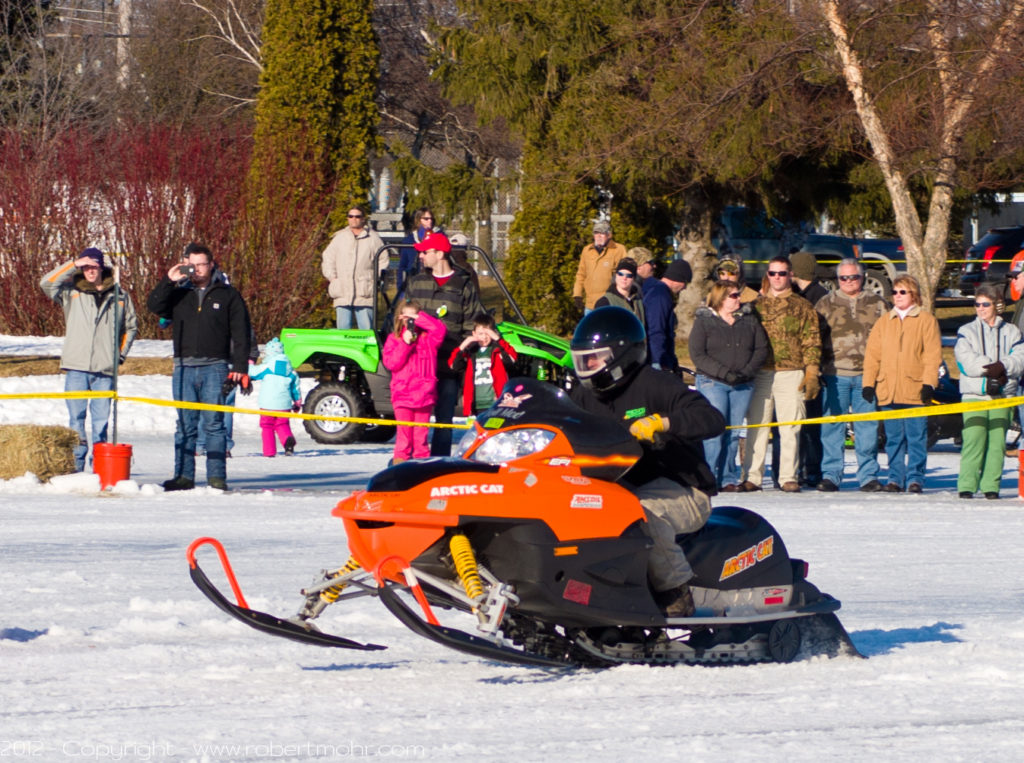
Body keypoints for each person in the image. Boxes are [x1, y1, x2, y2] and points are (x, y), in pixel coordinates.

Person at [569, 307, 726, 617]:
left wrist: (663, 423)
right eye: (582, 361)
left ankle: (676, 593)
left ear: (620, 356)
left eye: (594, 359)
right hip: (617, 490)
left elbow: (711, 418)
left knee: (640, 511)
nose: (588, 368)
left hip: (684, 490)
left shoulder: (655, 383)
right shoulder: (584, 396)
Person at [147, 243, 250, 491]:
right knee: (185, 424)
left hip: (215, 366)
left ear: (211, 264)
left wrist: (240, 366)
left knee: (214, 423)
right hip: (184, 366)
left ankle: (216, 477)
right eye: (192, 265)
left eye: (202, 264)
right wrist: (169, 281)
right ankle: (183, 476)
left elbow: (241, 332)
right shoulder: (179, 293)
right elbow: (154, 306)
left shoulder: (227, 294)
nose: (197, 270)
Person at [39, 248, 138, 472]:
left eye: (93, 266)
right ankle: (77, 464)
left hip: (105, 369)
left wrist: (119, 355)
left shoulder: (120, 295)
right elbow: (46, 283)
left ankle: (100, 465)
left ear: (102, 267)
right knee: (76, 418)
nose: (90, 271)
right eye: (85, 267)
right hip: (76, 366)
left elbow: (131, 327)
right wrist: (73, 264)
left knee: (101, 421)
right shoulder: (71, 293)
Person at [739, 255, 821, 493]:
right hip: (760, 373)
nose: (777, 278)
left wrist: (812, 371)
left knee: (790, 427)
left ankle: (788, 477)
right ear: (767, 276)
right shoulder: (755, 306)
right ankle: (752, 476)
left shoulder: (802, 306)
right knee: (757, 426)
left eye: (782, 273)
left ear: (790, 275)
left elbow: (811, 340)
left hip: (791, 372)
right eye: (773, 273)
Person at [403, 231, 486, 456]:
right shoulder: (416, 283)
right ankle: (411, 462)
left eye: (425, 252)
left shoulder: (464, 284)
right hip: (419, 365)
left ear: (440, 254)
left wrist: (461, 354)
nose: (421, 256)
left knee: (444, 418)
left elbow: (472, 323)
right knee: (414, 418)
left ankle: (440, 462)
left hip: (448, 364)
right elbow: (405, 318)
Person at [862, 274, 942, 493]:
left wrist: (929, 384)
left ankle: (915, 478)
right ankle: (895, 478)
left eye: (902, 292)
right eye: (895, 292)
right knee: (893, 438)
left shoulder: (926, 320)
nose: (897, 296)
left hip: (914, 389)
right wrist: (868, 383)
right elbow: (872, 356)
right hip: (888, 389)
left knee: (916, 438)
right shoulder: (884, 322)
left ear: (913, 294)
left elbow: (932, 356)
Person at [814, 259, 889, 492]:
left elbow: (888, 338)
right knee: (832, 427)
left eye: (853, 277)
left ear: (862, 277)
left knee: (867, 428)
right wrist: (816, 369)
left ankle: (868, 476)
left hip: (867, 376)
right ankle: (831, 475)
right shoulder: (825, 303)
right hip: (834, 374)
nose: (848, 281)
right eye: (843, 278)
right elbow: (814, 338)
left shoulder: (877, 303)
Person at [689, 281, 769, 492]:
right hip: (713, 382)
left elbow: (761, 349)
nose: (738, 299)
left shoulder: (749, 319)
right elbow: (698, 354)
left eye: (738, 295)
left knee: (733, 433)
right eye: (733, 296)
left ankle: (727, 478)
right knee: (714, 432)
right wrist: (725, 373)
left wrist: (747, 372)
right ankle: (707, 476)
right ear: (721, 298)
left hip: (743, 384)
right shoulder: (704, 321)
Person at [954, 283, 1024, 499]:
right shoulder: (966, 331)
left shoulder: (1012, 331)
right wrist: (990, 372)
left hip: (1002, 396)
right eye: (977, 304)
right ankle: (967, 484)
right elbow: (965, 361)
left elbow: (1020, 358)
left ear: (996, 305)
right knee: (973, 440)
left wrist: (1003, 367)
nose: (981, 309)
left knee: (996, 443)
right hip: (974, 395)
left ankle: (991, 486)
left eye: (985, 304)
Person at [382, 299, 447, 462]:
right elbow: (392, 364)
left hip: (424, 394)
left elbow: (440, 329)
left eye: (413, 317)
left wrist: (419, 318)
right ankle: (400, 467)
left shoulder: (428, 339)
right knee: (404, 439)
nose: (410, 321)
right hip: (403, 394)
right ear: (400, 317)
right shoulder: (393, 339)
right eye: (407, 317)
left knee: (421, 439)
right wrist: (405, 343)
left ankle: (421, 467)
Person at [321, 206, 386, 330]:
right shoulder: (339, 238)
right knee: (343, 332)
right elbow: (328, 258)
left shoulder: (373, 238)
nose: (354, 219)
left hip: (365, 293)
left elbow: (383, 260)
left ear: (363, 219)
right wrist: (333, 278)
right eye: (351, 216)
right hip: (342, 292)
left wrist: (375, 279)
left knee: (366, 331)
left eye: (357, 216)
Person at [448, 313, 518, 416]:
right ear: (474, 334)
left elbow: (512, 358)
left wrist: (498, 339)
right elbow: (453, 365)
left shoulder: (497, 351)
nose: (484, 337)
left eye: (487, 333)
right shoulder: (470, 352)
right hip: (476, 403)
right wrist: (464, 344)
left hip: (496, 402)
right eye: (480, 334)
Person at [249, 338, 302, 458]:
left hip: (267, 404)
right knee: (282, 424)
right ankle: (287, 441)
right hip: (284, 405)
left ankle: (269, 452)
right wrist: (297, 402)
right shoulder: (291, 371)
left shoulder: (267, 367)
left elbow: (253, 373)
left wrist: (250, 363)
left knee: (267, 426)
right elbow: (295, 389)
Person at [641, 259, 691, 373]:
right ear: (677, 279)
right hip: (656, 359)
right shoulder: (661, 296)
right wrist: (658, 361)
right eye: (685, 283)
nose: (684, 288)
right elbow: (656, 329)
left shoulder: (655, 290)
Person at [572, 220, 628, 313]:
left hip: (610, 303)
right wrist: (577, 294)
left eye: (602, 233)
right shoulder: (587, 250)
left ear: (609, 235)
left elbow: (625, 274)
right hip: (590, 305)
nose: (598, 236)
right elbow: (581, 274)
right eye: (596, 233)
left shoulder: (619, 250)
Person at [594, 257, 646, 325]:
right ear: (616, 275)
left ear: (633, 278)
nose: (624, 278)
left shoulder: (638, 301)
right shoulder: (605, 302)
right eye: (620, 274)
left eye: (629, 275)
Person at [398, 207, 436, 294]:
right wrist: (401, 290)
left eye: (432, 219)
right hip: (413, 282)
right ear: (418, 220)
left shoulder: (439, 237)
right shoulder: (409, 240)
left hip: (432, 283)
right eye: (426, 219)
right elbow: (402, 266)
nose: (430, 221)